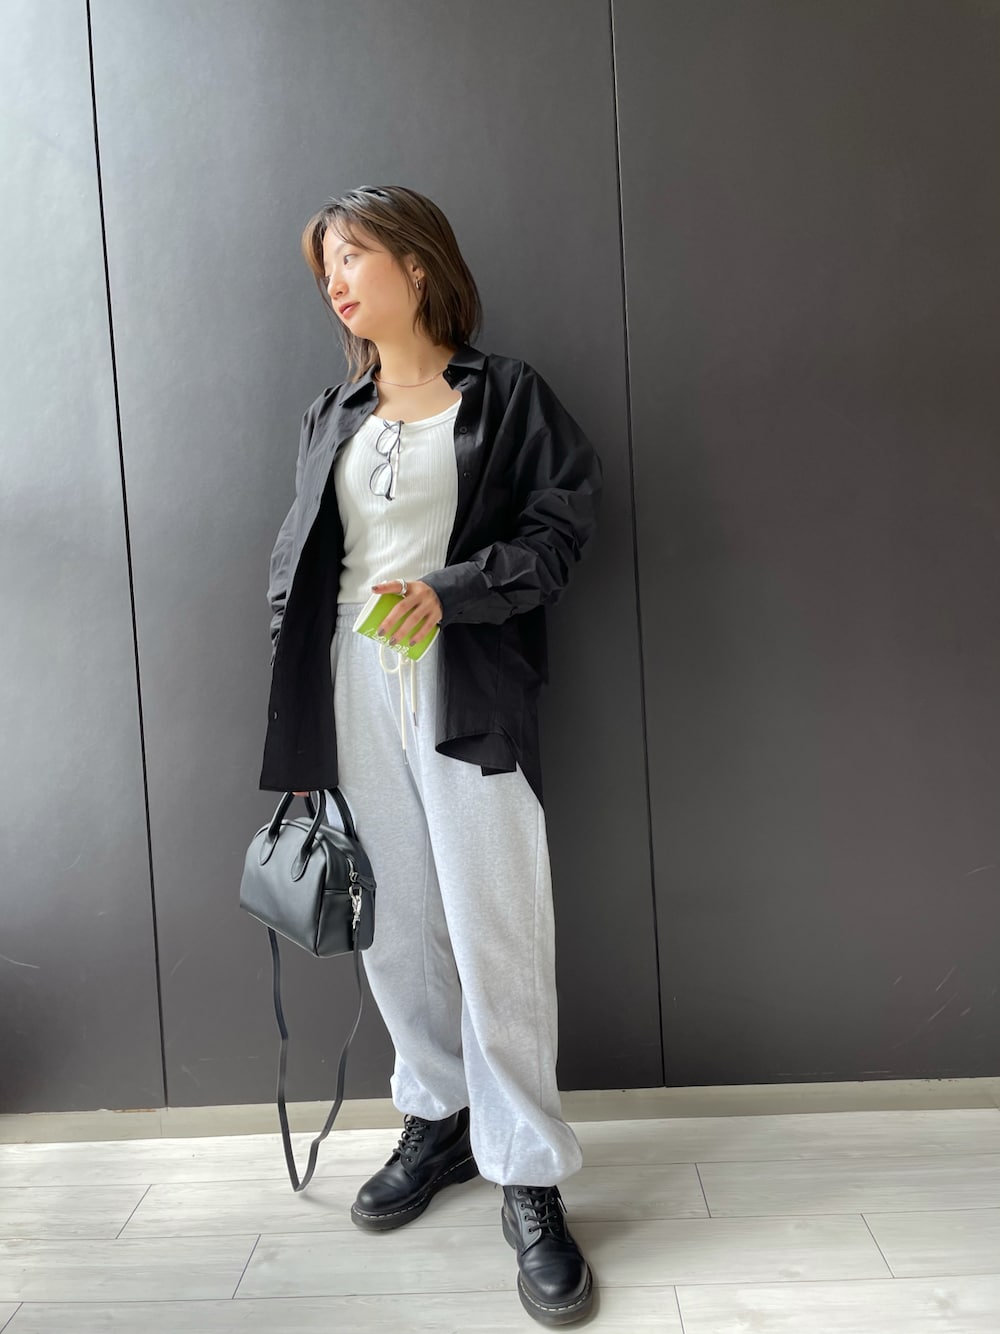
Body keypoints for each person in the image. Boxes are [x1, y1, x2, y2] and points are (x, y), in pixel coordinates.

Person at [261, 185, 603, 1327]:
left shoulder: (508, 397)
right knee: (394, 924)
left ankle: (528, 1170)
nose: (336, 281)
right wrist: (298, 714)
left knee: (496, 923)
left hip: (465, 680)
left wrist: (453, 591)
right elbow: (295, 564)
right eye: (325, 266)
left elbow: (559, 532)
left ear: (416, 263)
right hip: (352, 684)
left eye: (353, 256)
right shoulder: (331, 411)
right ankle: (440, 1118)